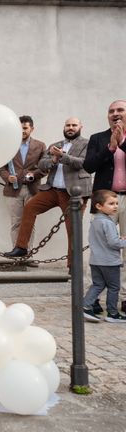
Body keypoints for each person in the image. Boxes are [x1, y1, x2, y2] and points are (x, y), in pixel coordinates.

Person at [5, 117, 92, 270]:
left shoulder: (86, 144)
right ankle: (22, 247)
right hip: (52, 190)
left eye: (74, 125)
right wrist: (52, 159)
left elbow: (83, 163)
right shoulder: (54, 145)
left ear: (80, 127)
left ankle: (74, 267)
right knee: (30, 207)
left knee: (72, 230)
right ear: (64, 127)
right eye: (67, 125)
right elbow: (41, 165)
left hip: (73, 194)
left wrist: (62, 157)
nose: (70, 128)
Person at [83, 100, 126, 306]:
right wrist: (110, 147)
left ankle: (124, 297)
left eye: (120, 110)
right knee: (98, 247)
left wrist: (122, 142)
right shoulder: (97, 138)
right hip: (102, 201)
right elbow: (88, 166)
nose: (115, 113)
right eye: (111, 111)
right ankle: (94, 298)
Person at [0, 115, 46, 251]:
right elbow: (1, 168)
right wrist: (8, 177)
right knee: (16, 223)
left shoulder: (40, 146)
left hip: (33, 189)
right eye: (19, 128)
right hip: (13, 190)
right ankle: (16, 253)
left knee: (30, 222)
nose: (22, 131)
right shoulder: (8, 145)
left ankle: (28, 254)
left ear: (32, 129)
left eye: (25, 128)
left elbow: (45, 168)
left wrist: (34, 174)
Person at [81, 190, 126, 323]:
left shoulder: (96, 221)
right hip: (109, 262)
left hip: (96, 260)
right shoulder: (108, 222)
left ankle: (86, 306)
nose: (116, 206)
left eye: (117, 203)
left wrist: (119, 239)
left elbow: (102, 239)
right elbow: (113, 243)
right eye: (111, 203)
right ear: (99, 206)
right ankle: (112, 313)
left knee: (98, 285)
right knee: (114, 287)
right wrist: (123, 241)